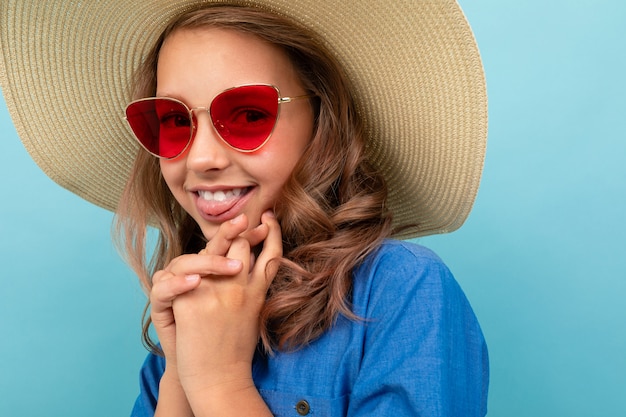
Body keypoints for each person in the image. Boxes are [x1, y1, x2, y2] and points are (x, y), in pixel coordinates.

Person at [0, 1, 489, 416]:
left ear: (321, 121)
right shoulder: (190, 305)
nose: (203, 158)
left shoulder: (402, 291)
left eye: (250, 115)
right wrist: (178, 376)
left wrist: (219, 383)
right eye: (172, 121)